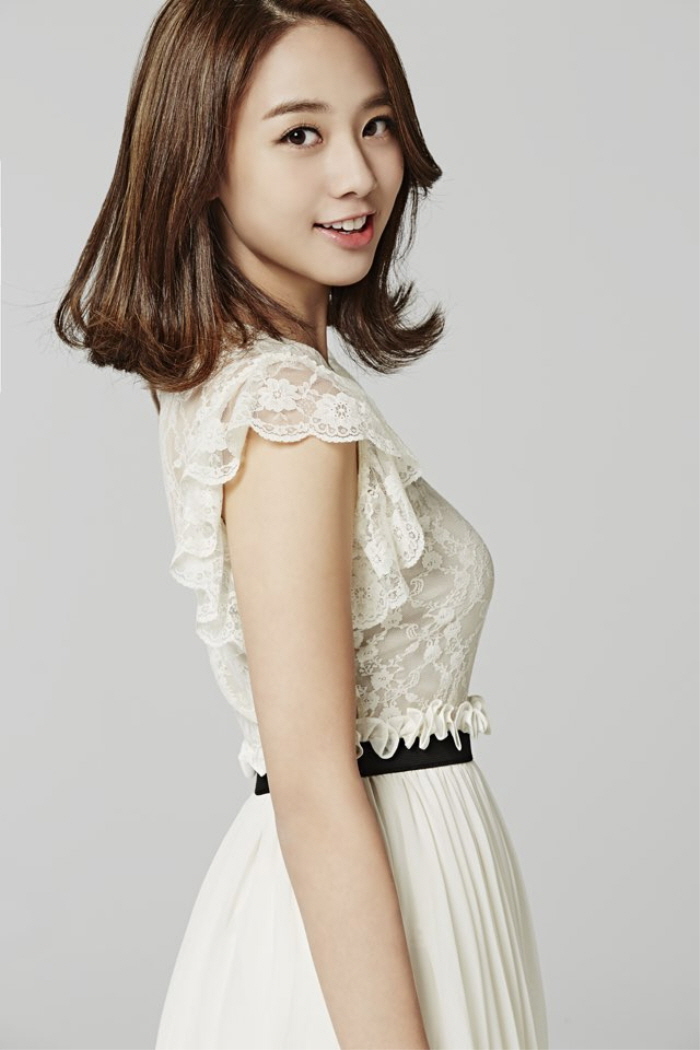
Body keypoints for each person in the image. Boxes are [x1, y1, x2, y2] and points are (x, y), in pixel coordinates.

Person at [54, 1, 550, 1047]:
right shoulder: (289, 411)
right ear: (202, 162)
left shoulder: (247, 381)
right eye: (300, 135)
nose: (357, 174)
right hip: (372, 913)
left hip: (390, 890)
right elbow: (317, 784)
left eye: (375, 124)